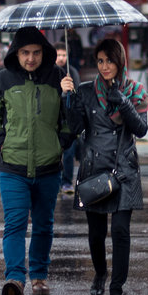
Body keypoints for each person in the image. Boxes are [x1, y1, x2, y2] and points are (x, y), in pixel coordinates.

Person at [0, 26, 72, 295]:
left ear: (43, 52)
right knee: (15, 224)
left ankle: (40, 277)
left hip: (48, 167)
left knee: (44, 226)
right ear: (15, 53)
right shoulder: (3, 79)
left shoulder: (58, 77)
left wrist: (62, 141)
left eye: (35, 52)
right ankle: (15, 280)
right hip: (13, 167)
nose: (30, 58)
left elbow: (70, 118)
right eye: (25, 53)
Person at [62, 38, 148, 295]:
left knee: (121, 231)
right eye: (100, 61)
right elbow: (75, 129)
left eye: (109, 60)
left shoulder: (135, 90)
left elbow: (141, 129)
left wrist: (123, 103)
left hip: (123, 169)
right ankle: (100, 273)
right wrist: (69, 102)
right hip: (95, 169)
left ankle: (116, 290)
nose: (104, 66)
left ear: (120, 61)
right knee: (97, 233)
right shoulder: (87, 91)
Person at [55, 42, 81, 194]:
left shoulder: (72, 72)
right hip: (52, 119)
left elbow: (77, 95)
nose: (61, 58)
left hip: (67, 119)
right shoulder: (49, 72)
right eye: (58, 55)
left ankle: (66, 182)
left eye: (64, 55)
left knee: (69, 153)